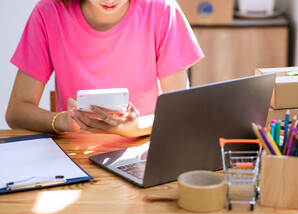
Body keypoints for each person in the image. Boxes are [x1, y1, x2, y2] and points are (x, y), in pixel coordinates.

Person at [6, 0, 204, 137]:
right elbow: (16, 112)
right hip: (73, 155)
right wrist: (62, 121)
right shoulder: (48, 12)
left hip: (140, 149)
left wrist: (135, 127)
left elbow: (180, 114)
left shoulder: (161, 9)